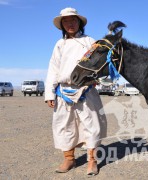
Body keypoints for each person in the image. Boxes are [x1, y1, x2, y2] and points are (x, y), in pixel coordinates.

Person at [45, 7, 107, 175]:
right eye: (66, 21)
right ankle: (69, 159)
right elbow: (53, 69)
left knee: (91, 125)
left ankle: (92, 161)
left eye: (73, 20)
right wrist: (49, 93)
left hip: (85, 90)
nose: (70, 23)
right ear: (62, 24)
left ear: (79, 22)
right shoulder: (60, 44)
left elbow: (100, 64)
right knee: (64, 126)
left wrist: (96, 79)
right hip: (63, 91)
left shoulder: (90, 42)